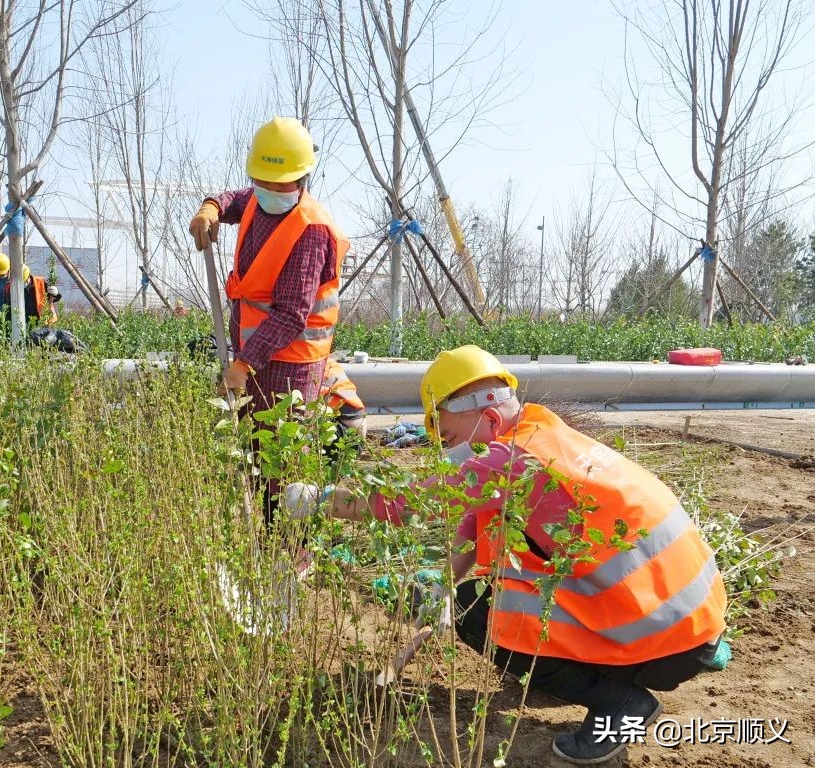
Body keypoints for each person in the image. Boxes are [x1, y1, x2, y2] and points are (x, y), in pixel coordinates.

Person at [285, 345, 727, 765]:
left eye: (454, 437)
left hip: (660, 640)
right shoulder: (541, 432)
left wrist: (322, 499)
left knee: (478, 608)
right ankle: (591, 674)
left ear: (491, 416)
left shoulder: (509, 458)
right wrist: (446, 580)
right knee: (474, 594)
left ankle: (620, 703)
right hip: (694, 624)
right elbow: (474, 521)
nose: (451, 452)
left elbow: (410, 504)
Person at [188, 116, 349, 524]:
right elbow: (235, 200)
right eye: (264, 180)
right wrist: (210, 209)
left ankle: (290, 556)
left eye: (282, 183)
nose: (272, 190)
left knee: (283, 465)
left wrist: (244, 364)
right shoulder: (260, 198)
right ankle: (259, 540)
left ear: (302, 178)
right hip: (256, 356)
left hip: (291, 364)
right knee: (254, 455)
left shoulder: (310, 230)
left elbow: (292, 314)